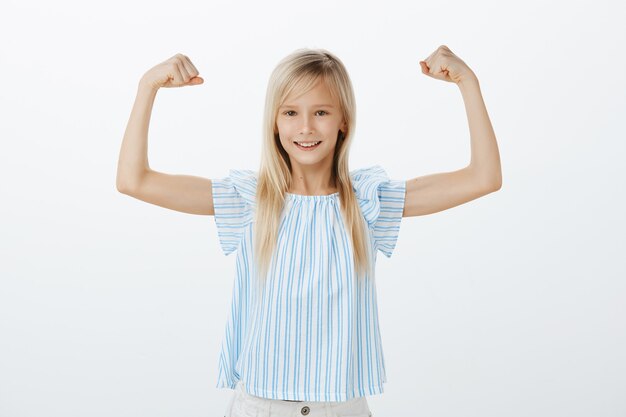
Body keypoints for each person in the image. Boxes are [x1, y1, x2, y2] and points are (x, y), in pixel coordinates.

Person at [116, 46, 502, 417]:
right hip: (259, 406)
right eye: (290, 112)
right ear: (274, 121)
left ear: (343, 120)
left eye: (320, 111)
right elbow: (134, 180)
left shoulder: (367, 201)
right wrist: (147, 86)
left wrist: (468, 82)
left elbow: (484, 178)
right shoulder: (251, 199)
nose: (305, 127)